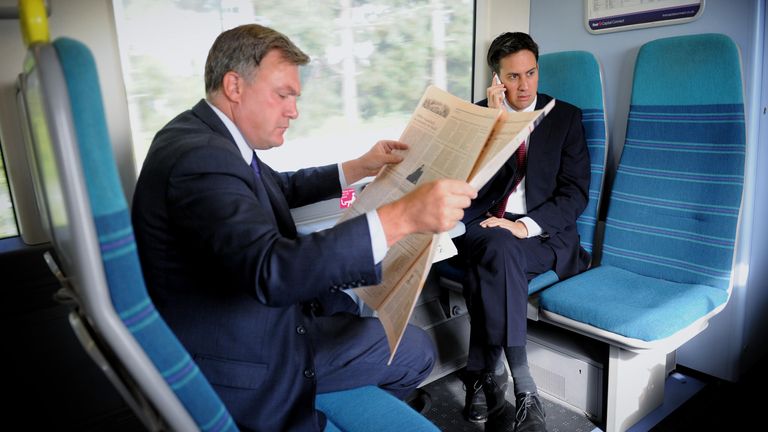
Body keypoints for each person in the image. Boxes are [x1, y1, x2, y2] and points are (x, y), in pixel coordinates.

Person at [131, 24, 476, 431]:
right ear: (234, 86)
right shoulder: (201, 159)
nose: (293, 111)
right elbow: (270, 269)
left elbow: (280, 186)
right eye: (283, 95)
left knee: (350, 309)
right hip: (246, 361)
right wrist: (402, 216)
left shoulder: (200, 135)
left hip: (250, 327)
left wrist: (359, 166)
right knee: (415, 350)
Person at [452, 32, 590, 431]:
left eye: (530, 73)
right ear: (496, 78)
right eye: (513, 76)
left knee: (495, 259)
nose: (524, 84)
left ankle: (481, 374)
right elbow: (466, 186)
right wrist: (493, 129)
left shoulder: (565, 117)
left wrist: (521, 226)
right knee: (496, 244)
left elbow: (575, 194)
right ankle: (525, 389)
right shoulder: (478, 117)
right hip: (481, 226)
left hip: (542, 235)